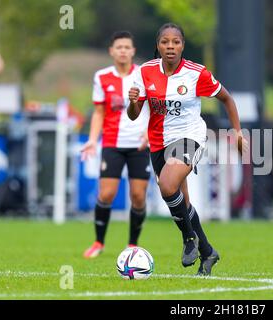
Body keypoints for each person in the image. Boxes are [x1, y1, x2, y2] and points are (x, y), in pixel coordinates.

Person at [127, 23, 248, 276]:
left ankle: (188, 239)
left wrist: (237, 133)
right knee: (182, 201)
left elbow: (227, 98)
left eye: (176, 42)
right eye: (165, 42)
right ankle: (207, 252)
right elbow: (134, 114)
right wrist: (133, 101)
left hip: (189, 136)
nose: (170, 47)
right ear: (158, 46)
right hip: (158, 142)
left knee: (167, 186)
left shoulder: (197, 73)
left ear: (182, 45)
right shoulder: (145, 71)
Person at [81, 31, 151, 258]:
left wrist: (150, 133)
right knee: (107, 194)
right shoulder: (101, 77)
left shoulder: (144, 75)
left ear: (133, 51)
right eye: (118, 47)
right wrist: (92, 140)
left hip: (140, 145)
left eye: (126, 47)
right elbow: (99, 113)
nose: (122, 50)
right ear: (111, 51)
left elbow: (155, 107)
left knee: (138, 196)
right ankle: (98, 242)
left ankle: (132, 244)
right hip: (112, 143)